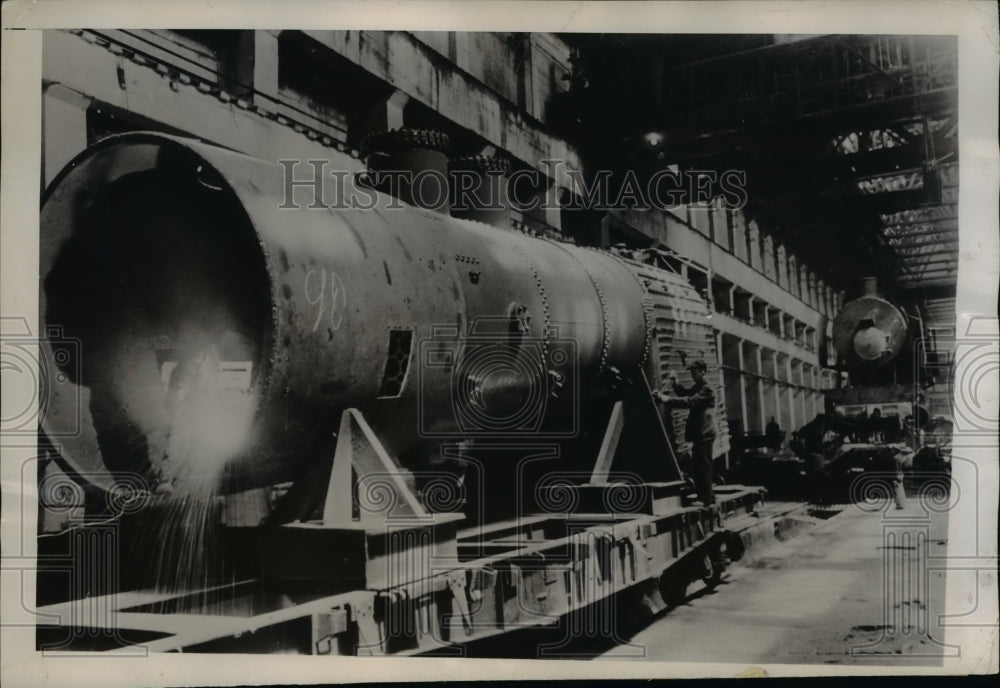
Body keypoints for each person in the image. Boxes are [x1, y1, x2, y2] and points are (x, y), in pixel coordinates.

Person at [657, 358, 717, 507]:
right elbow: (685, 393)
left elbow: (690, 401)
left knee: (703, 466)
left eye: (694, 372)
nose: (692, 375)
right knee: (699, 466)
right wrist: (676, 383)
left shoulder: (707, 388)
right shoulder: (700, 386)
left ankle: (707, 500)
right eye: (691, 372)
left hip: (705, 433)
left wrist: (667, 398)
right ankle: (706, 496)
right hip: (700, 434)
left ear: (703, 371)